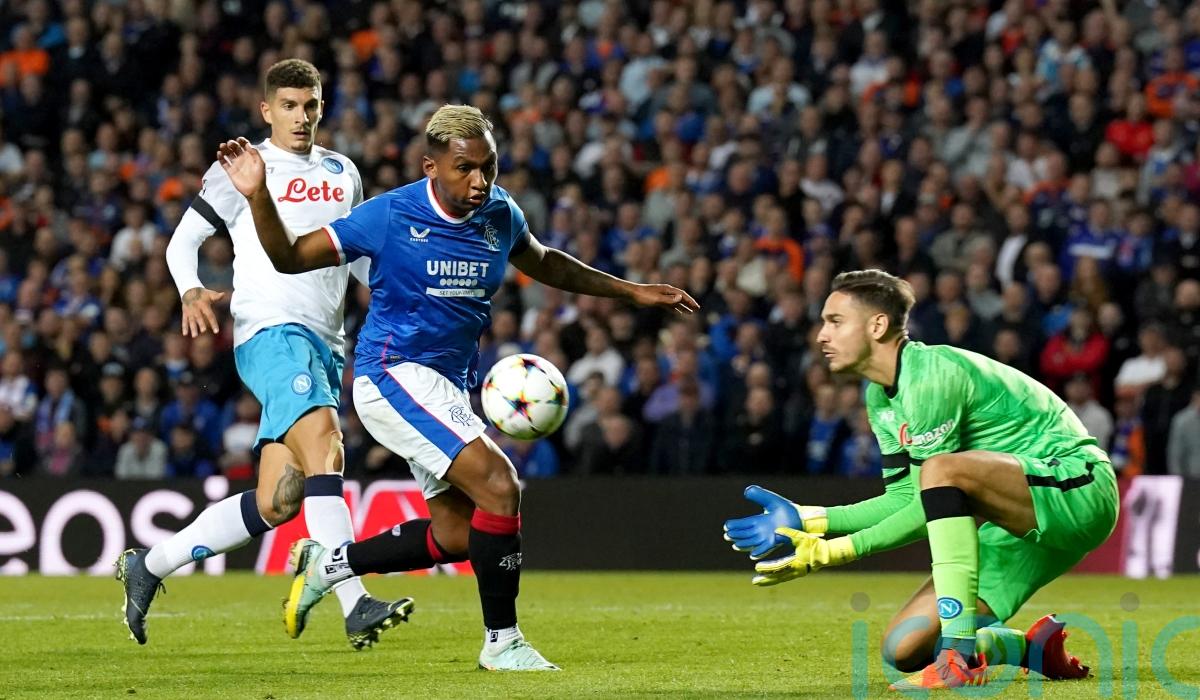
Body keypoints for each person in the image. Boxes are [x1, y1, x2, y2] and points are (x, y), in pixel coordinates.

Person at [215, 104, 698, 671]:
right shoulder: (390, 215)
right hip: (391, 374)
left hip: (446, 385)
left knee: (457, 534)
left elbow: (545, 262)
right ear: (431, 166)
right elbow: (290, 256)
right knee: (500, 484)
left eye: (488, 167)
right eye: (465, 168)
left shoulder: (499, 212)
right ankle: (503, 643)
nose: (479, 181)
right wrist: (258, 196)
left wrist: (631, 291)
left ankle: (332, 564)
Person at [116, 59, 412, 650]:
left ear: (322, 108)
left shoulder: (343, 171)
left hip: (326, 341)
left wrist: (396, 293)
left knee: (280, 501)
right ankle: (354, 601)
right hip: (271, 331)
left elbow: (350, 255)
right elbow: (183, 242)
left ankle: (149, 565)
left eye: (310, 106)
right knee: (327, 447)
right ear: (267, 110)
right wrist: (190, 289)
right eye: (289, 106)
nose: (301, 117)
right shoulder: (243, 165)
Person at [722, 269, 1117, 691]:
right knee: (903, 648)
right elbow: (908, 499)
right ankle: (1031, 649)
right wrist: (810, 518)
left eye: (835, 321)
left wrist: (830, 552)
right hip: (1018, 520)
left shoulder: (930, 375)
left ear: (877, 325)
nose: (821, 335)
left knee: (941, 468)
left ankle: (958, 658)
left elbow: (934, 488)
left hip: (1078, 486)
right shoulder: (880, 397)